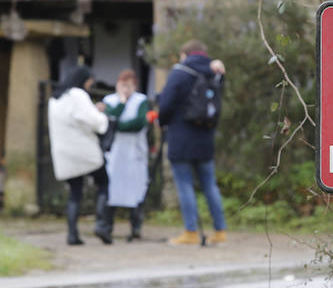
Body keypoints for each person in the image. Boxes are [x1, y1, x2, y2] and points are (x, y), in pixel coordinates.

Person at [157, 39, 227, 246]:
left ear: (185, 54)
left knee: (185, 184)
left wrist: (162, 121)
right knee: (209, 184)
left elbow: (166, 103)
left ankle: (191, 232)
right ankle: (220, 230)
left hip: (181, 137)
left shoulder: (180, 72)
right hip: (205, 137)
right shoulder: (215, 71)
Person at [47, 65, 112, 245]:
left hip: (64, 153)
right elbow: (92, 120)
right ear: (84, 79)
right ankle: (101, 225)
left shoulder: (55, 98)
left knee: (75, 192)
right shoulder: (78, 94)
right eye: (90, 81)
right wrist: (101, 115)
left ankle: (72, 235)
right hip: (83, 150)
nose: (91, 85)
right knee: (104, 182)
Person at [97, 69, 150, 242]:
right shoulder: (110, 100)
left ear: (134, 85)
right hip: (115, 153)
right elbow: (107, 121)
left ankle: (136, 228)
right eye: (122, 85)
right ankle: (106, 227)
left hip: (134, 153)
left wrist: (117, 124)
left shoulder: (141, 100)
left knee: (136, 190)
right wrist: (121, 102)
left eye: (129, 85)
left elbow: (139, 123)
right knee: (112, 190)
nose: (125, 89)